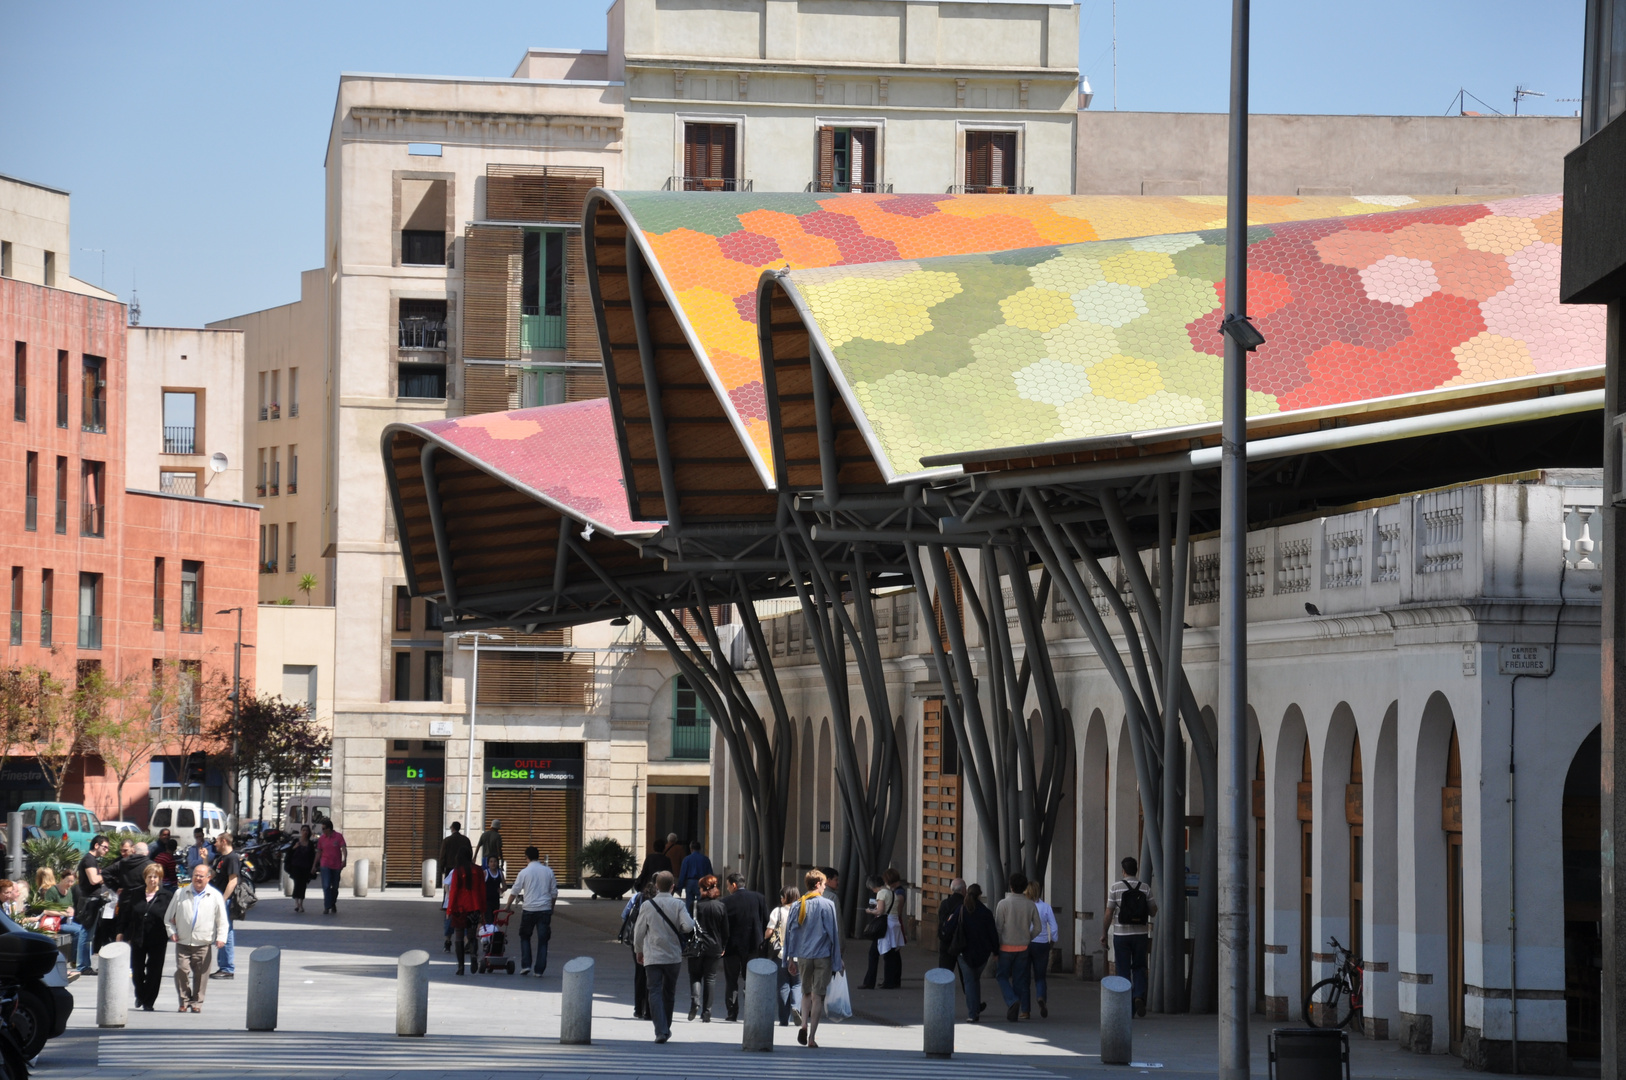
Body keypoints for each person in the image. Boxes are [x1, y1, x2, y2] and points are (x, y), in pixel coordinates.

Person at [633, 870, 696, 1044]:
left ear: (656, 886)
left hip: (652, 955)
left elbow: (638, 932)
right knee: (669, 992)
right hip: (673, 956)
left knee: (654, 991)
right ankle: (666, 1027)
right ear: (673, 887)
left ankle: (660, 1030)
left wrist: (639, 950)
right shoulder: (678, 905)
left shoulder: (647, 905)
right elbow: (689, 926)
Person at [784, 869, 844, 1048]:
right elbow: (833, 934)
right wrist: (838, 958)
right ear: (817, 884)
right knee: (818, 997)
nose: (825, 888)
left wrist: (790, 958)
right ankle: (812, 1037)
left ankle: (803, 1024)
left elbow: (791, 933)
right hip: (822, 956)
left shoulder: (797, 905)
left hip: (803, 955)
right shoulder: (827, 905)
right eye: (824, 884)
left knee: (805, 993)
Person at [163, 863, 229, 1013]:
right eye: (195, 875)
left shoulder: (215, 895)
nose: (198, 878)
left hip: (203, 942)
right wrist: (171, 932)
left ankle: (197, 1002)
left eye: (201, 876)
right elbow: (168, 918)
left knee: (201, 975)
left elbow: (222, 920)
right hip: (183, 940)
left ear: (208, 878)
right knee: (182, 970)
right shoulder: (180, 893)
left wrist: (221, 938)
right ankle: (184, 1001)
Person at [1101, 856, 1157, 1018]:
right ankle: (1138, 995)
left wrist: (1104, 932)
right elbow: (1153, 911)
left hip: (1121, 935)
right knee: (1140, 967)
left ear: (1123, 870)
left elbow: (1108, 912)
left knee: (1123, 971)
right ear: (1136, 869)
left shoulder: (1115, 887)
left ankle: (1127, 1009)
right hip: (1140, 935)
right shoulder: (1145, 888)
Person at [115, 863, 173, 1011]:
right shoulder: (136, 894)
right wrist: (121, 931)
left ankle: (149, 1001)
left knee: (154, 971)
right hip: (137, 937)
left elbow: (173, 916)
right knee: (137, 969)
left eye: (155, 877)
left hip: (158, 938)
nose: (152, 880)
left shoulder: (167, 896)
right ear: (145, 878)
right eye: (150, 877)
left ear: (159, 879)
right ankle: (140, 994)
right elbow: (126, 914)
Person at [945, 883, 998, 1022]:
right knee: (975, 980)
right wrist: (996, 951)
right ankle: (975, 1009)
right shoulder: (986, 913)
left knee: (969, 982)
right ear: (980, 895)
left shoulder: (961, 910)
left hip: (964, 952)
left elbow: (949, 927)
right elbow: (993, 934)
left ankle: (973, 1013)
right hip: (983, 954)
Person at [721, 871, 769, 1021]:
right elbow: (766, 921)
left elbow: (723, 927)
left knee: (731, 980)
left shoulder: (726, 902)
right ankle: (752, 1010)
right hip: (753, 945)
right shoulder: (759, 898)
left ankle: (732, 1012)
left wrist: (722, 945)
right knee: (752, 979)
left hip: (732, 947)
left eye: (728, 885)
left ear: (734, 885)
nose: (727, 888)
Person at [994, 871, 1039, 1021]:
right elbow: (1038, 928)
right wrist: (1028, 938)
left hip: (1006, 946)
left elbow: (998, 927)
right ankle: (1017, 1008)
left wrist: (997, 946)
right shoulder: (1030, 904)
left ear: (1011, 886)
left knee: (1001, 976)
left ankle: (1012, 1000)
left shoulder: (1003, 904)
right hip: (1023, 947)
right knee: (1020, 979)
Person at [507, 845, 558, 978]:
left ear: (527, 857)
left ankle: (526, 965)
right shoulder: (548, 871)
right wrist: (551, 908)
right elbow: (554, 893)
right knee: (543, 939)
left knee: (525, 937)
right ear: (538, 856)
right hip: (544, 910)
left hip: (529, 909)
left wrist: (507, 906)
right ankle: (539, 970)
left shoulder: (524, 872)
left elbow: (514, 891)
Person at [31, 868, 86, 978]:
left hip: (66, 920)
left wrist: (71, 910)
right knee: (78, 931)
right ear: (61, 879)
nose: (70, 884)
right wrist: (63, 913)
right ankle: (74, 959)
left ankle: (80, 958)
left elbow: (70, 905)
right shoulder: (52, 891)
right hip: (55, 922)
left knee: (84, 929)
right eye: (68, 881)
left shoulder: (69, 891)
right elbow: (47, 910)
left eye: (72, 881)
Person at [687, 874, 727, 1022]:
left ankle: (695, 1001)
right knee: (710, 978)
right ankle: (707, 1013)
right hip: (715, 946)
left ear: (703, 889)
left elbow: (688, 926)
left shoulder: (695, 905)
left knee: (695, 975)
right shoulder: (721, 906)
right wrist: (723, 945)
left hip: (697, 946)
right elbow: (725, 930)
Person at [766, 885, 802, 1026]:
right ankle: (795, 1007)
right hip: (800, 954)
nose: (780, 899)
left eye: (782, 896)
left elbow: (769, 932)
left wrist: (768, 936)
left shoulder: (778, 911)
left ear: (786, 897)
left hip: (780, 954)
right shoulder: (802, 910)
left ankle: (783, 1019)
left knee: (783, 986)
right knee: (798, 984)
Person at [73, 835, 110, 973]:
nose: (106, 850)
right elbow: (94, 879)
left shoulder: (93, 860)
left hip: (92, 900)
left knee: (88, 934)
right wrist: (107, 874)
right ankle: (82, 965)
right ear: (96, 845)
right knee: (86, 933)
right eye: (104, 847)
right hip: (89, 900)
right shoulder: (89, 860)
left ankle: (84, 965)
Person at [444, 851, 484, 976]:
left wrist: (449, 910)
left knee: (459, 937)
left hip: (460, 908)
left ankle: (461, 967)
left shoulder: (457, 871)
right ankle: (473, 955)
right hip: (474, 907)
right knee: (472, 935)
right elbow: (483, 890)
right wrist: (482, 909)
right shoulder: (478, 870)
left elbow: (454, 891)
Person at [209, 833, 242, 980]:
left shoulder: (232, 858)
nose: (215, 844)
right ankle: (224, 966)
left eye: (216, 841)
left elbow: (233, 881)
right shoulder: (222, 858)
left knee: (226, 932)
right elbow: (212, 875)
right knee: (222, 931)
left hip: (225, 900)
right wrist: (204, 858)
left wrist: (223, 900)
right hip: (220, 899)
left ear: (223, 841)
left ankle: (227, 968)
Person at [1026, 879, 1060, 1019]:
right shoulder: (1046, 907)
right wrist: (1053, 941)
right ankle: (1041, 997)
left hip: (1026, 944)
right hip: (1042, 945)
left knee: (1025, 977)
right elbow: (1054, 927)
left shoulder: (1025, 907)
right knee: (1040, 977)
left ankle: (1025, 1009)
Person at [621, 882, 655, 1020]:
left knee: (639, 974)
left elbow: (624, 915)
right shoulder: (660, 901)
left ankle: (638, 1008)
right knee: (652, 975)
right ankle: (649, 1009)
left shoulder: (636, 898)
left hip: (637, 940)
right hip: (653, 941)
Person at [316, 818, 347, 915]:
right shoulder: (321, 839)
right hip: (325, 864)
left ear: (329, 829)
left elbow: (343, 848)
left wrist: (344, 860)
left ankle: (332, 903)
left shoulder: (338, 837)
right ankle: (327, 906)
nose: (322, 831)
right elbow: (319, 852)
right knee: (326, 886)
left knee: (335, 887)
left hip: (336, 865)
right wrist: (314, 865)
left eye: (324, 828)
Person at [283, 825, 317, 913]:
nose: (305, 832)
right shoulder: (296, 841)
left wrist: (313, 867)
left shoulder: (310, 844)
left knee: (303, 885)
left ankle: (301, 903)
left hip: (306, 867)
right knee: (297, 883)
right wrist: (294, 848)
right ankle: (296, 903)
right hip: (296, 866)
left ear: (308, 832)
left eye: (306, 830)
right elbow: (289, 852)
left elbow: (312, 856)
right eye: (303, 830)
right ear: (301, 831)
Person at [936, 878, 967, 971]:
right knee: (965, 975)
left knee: (945, 972)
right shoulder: (965, 904)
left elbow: (941, 920)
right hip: (962, 942)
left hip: (946, 941)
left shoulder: (945, 903)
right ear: (963, 889)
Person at [678, 840, 713, 915]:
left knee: (689, 904)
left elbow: (682, 874)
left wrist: (679, 888)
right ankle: (701, 918)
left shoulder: (686, 859)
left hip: (690, 883)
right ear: (700, 849)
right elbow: (710, 874)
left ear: (691, 849)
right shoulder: (705, 859)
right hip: (702, 883)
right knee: (702, 902)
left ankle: (690, 919)